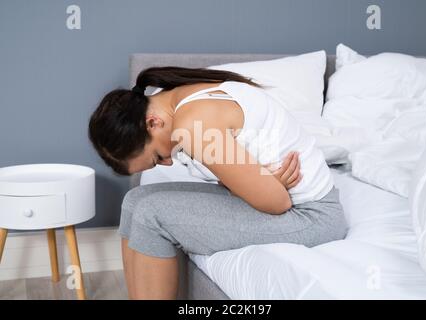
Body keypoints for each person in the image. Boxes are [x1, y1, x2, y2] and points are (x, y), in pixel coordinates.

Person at [88, 66, 348, 299]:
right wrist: (259, 181)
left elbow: (277, 202)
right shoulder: (176, 95)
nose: (168, 163)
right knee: (134, 200)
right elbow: (248, 185)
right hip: (284, 201)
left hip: (312, 217)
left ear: (152, 122)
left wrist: (263, 183)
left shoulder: (193, 126)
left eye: (157, 157)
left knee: (150, 214)